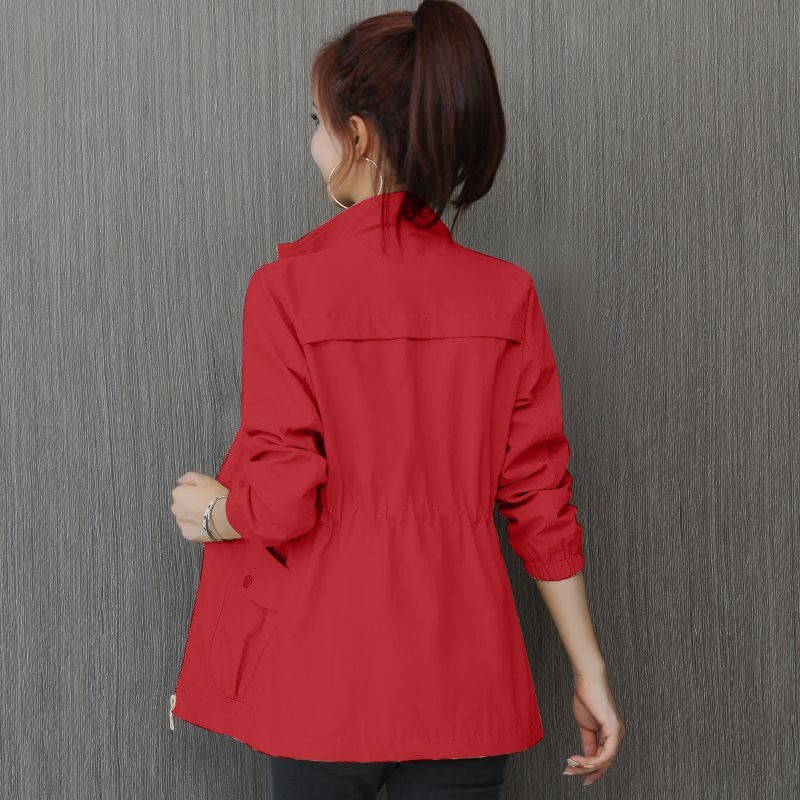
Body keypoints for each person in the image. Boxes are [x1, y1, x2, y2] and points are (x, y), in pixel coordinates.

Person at [169, 1, 625, 797]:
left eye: (317, 122)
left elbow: (283, 499)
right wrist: (590, 671)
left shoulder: (285, 292)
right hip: (467, 687)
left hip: (322, 682)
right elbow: (540, 502)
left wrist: (214, 513)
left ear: (359, 137)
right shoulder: (507, 297)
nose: (312, 142)